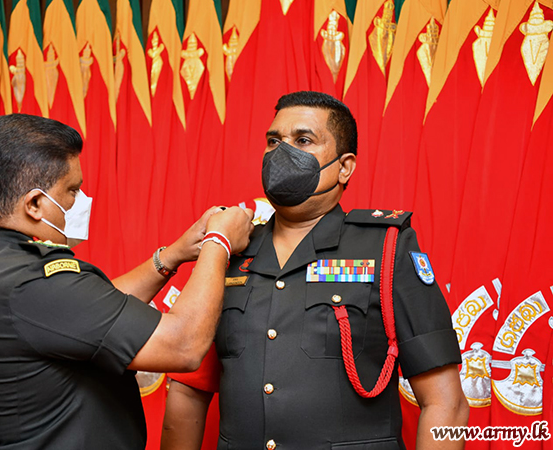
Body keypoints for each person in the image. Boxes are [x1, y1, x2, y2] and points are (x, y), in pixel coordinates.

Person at [161, 91, 469, 450]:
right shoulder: (230, 252)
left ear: (344, 167)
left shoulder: (387, 249)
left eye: (303, 140)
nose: (282, 152)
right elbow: (188, 392)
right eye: (274, 141)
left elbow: (446, 403)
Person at [0, 114, 254, 450]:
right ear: (34, 204)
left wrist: (171, 257)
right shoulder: (33, 283)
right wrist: (220, 242)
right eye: (72, 190)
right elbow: (183, 345)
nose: (80, 200)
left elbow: (91, 313)